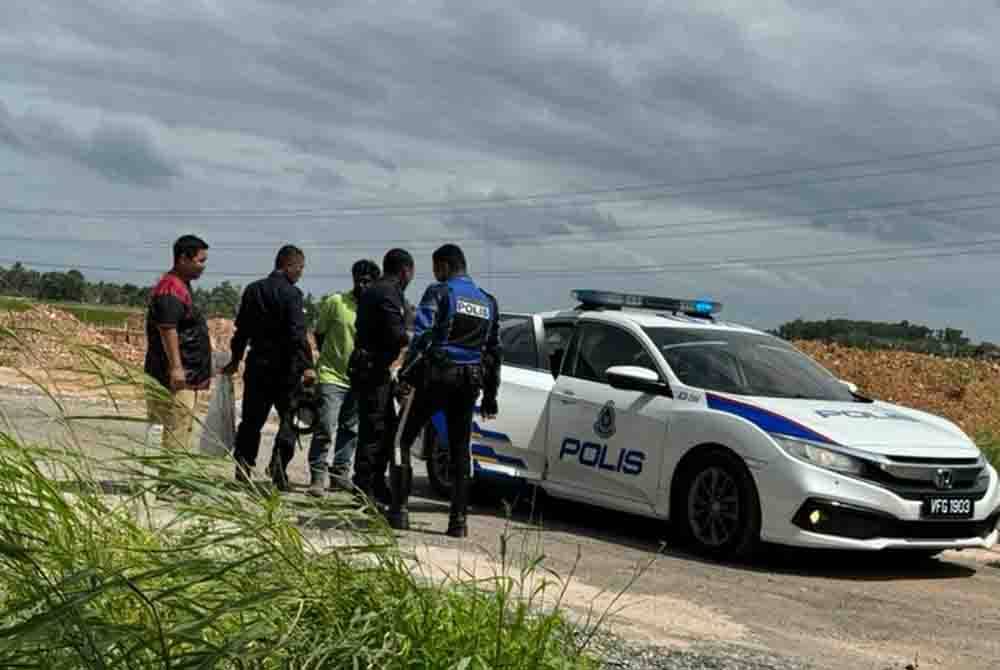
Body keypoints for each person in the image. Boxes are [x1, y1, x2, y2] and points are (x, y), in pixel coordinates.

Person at [391, 243, 501, 537]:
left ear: (445, 266)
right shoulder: (488, 301)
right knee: (459, 450)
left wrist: (406, 373)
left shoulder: (440, 292)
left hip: (436, 378)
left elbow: (423, 336)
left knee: (400, 440)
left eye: (436, 267)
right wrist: (491, 396)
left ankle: (399, 512)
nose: (434, 273)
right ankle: (458, 522)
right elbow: (493, 353)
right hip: (470, 383)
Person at [223, 245, 316, 491]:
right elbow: (298, 334)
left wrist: (235, 360)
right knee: (290, 420)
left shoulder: (253, 290)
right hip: (286, 369)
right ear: (288, 265)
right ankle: (278, 467)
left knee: (251, 421)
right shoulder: (292, 294)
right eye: (300, 268)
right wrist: (308, 366)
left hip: (257, 366)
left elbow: (241, 331)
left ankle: (242, 469)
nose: (301, 273)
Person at [305, 258, 380, 496]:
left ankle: (339, 475)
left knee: (350, 430)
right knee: (326, 426)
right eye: (359, 280)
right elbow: (319, 334)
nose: (363, 285)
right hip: (331, 376)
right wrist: (330, 359)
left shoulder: (376, 308)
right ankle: (317, 476)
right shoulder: (336, 302)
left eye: (368, 281)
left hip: (358, 379)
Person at [349, 248, 415, 505]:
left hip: (375, 369)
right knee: (375, 431)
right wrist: (415, 336)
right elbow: (396, 333)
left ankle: (375, 483)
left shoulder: (381, 290)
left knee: (385, 429)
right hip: (371, 369)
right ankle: (364, 490)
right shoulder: (387, 292)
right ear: (404, 271)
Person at [144, 234, 212, 453]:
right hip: (173, 378)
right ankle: (169, 483)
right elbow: (168, 328)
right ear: (183, 258)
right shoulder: (170, 289)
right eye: (200, 261)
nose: (203, 267)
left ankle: (172, 480)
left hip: (186, 376)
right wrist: (176, 368)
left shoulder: (181, 286)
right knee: (175, 429)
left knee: (181, 429)